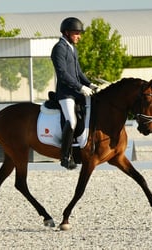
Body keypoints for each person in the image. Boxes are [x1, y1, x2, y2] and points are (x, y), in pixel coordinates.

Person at [51, 17, 98, 169]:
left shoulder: (72, 48)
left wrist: (89, 84)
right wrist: (80, 87)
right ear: (66, 32)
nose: (79, 36)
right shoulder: (59, 48)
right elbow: (63, 74)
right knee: (71, 121)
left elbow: (78, 72)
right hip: (66, 93)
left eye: (79, 33)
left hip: (76, 91)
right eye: (76, 33)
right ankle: (65, 156)